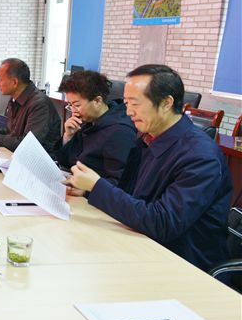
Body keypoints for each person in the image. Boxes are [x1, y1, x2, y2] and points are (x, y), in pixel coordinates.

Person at [67, 64, 231, 271]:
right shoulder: (147, 139)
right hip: (139, 243)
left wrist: (97, 186)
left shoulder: (201, 156)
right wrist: (89, 191)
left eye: (135, 104)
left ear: (166, 103)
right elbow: (130, 196)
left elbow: (163, 223)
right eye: (126, 103)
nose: (128, 112)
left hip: (183, 263)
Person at [55, 70, 137, 186]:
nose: (73, 111)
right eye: (70, 105)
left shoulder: (119, 132)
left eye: (77, 105)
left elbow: (118, 184)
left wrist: (85, 190)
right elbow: (65, 161)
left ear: (98, 101)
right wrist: (68, 136)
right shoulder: (88, 121)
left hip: (94, 194)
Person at [0, 58, 60, 153]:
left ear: (14, 82)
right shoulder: (15, 99)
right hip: (16, 155)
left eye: (0, 79)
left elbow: (27, 144)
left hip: (37, 159)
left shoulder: (39, 104)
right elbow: (9, 133)